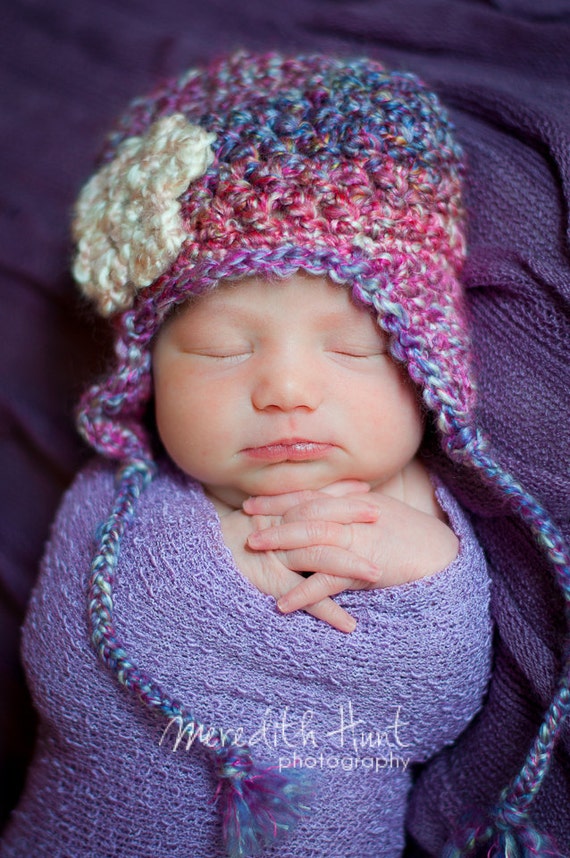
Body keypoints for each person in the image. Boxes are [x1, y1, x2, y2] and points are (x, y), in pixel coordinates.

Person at [0, 51, 566, 858]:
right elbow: (69, 670)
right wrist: (222, 575)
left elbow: (424, 716)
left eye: (352, 348)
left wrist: (427, 578)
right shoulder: (122, 494)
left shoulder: (420, 521)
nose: (287, 391)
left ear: (428, 371)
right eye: (225, 349)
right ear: (146, 377)